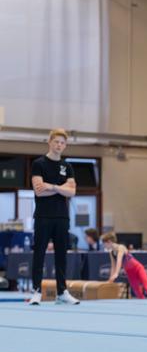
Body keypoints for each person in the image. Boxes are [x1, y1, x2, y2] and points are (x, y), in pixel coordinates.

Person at [29, 128, 80, 305]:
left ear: (65, 145)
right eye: (56, 141)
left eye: (62, 143)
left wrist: (52, 187)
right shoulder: (39, 164)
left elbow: (72, 192)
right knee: (39, 253)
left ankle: (62, 292)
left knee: (61, 255)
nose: (59, 145)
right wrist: (60, 187)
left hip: (61, 217)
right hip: (43, 216)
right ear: (50, 142)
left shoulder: (67, 166)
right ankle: (36, 290)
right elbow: (39, 191)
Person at [101, 231, 147, 299]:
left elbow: (119, 260)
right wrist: (111, 278)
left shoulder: (121, 247)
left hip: (138, 268)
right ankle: (143, 303)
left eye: (104, 244)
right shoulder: (111, 252)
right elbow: (113, 266)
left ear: (109, 242)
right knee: (136, 290)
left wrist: (116, 273)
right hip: (129, 272)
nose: (103, 246)